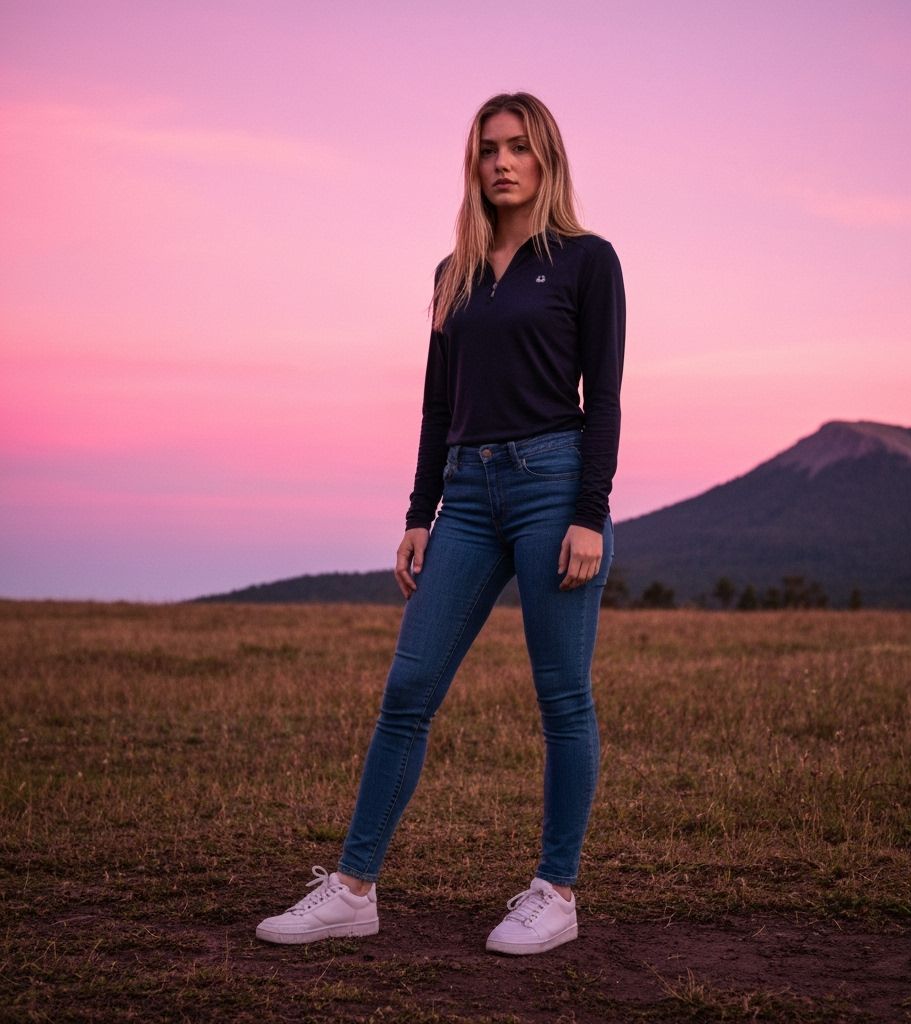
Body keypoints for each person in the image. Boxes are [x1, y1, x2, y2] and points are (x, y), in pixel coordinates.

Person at [256, 91, 626, 955]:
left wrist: (589, 514)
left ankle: (556, 892)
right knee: (408, 691)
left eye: (518, 148)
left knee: (563, 697)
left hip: (553, 483)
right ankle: (352, 887)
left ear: (547, 160)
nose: (501, 162)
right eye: (488, 149)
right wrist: (420, 513)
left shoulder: (586, 260)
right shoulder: (451, 274)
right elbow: (434, 406)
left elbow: (602, 397)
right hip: (466, 495)